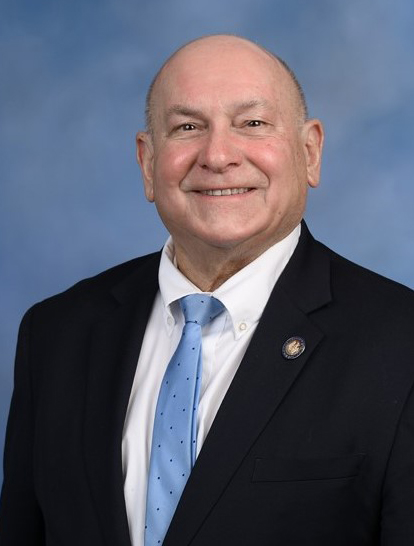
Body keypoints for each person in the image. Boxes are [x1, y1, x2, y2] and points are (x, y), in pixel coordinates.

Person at [1, 34, 414, 546]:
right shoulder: (56, 334)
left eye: (253, 123)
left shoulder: (401, 344)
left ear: (309, 152)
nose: (217, 156)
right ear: (147, 161)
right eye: (187, 127)